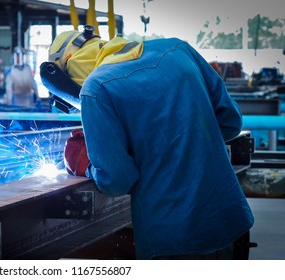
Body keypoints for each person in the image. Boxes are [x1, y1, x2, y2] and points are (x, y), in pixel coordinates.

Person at [43, 26, 254, 260]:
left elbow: (118, 181)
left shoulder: (96, 89)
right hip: (230, 218)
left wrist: (88, 166)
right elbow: (231, 122)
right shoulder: (177, 48)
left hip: (173, 238)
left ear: (67, 75)